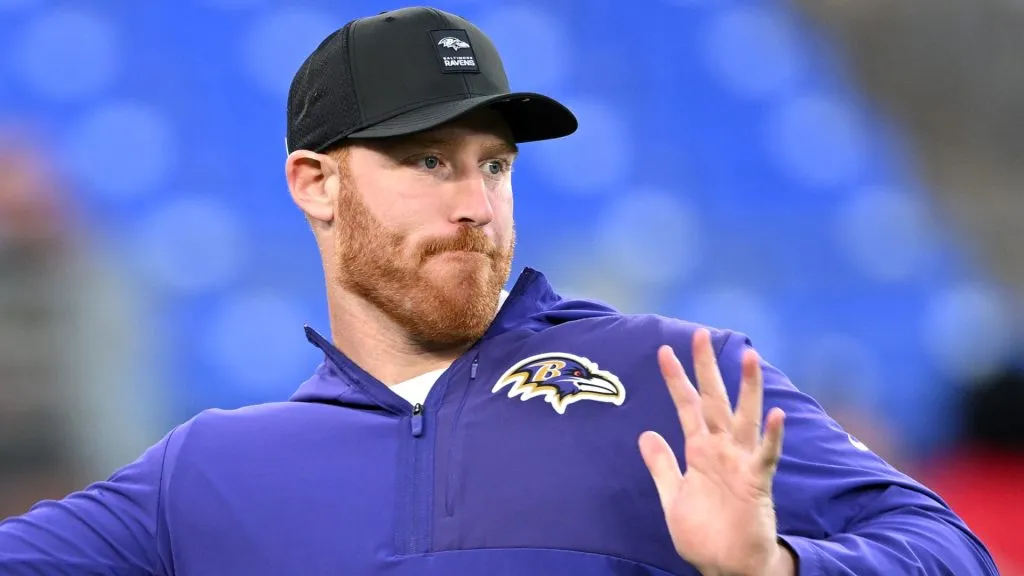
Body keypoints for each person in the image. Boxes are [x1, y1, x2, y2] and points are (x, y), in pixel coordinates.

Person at [0, 6, 999, 575]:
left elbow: (951, 553)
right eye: (428, 161)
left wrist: (774, 567)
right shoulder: (211, 472)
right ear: (314, 184)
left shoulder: (673, 378)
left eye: (495, 164)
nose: (476, 204)